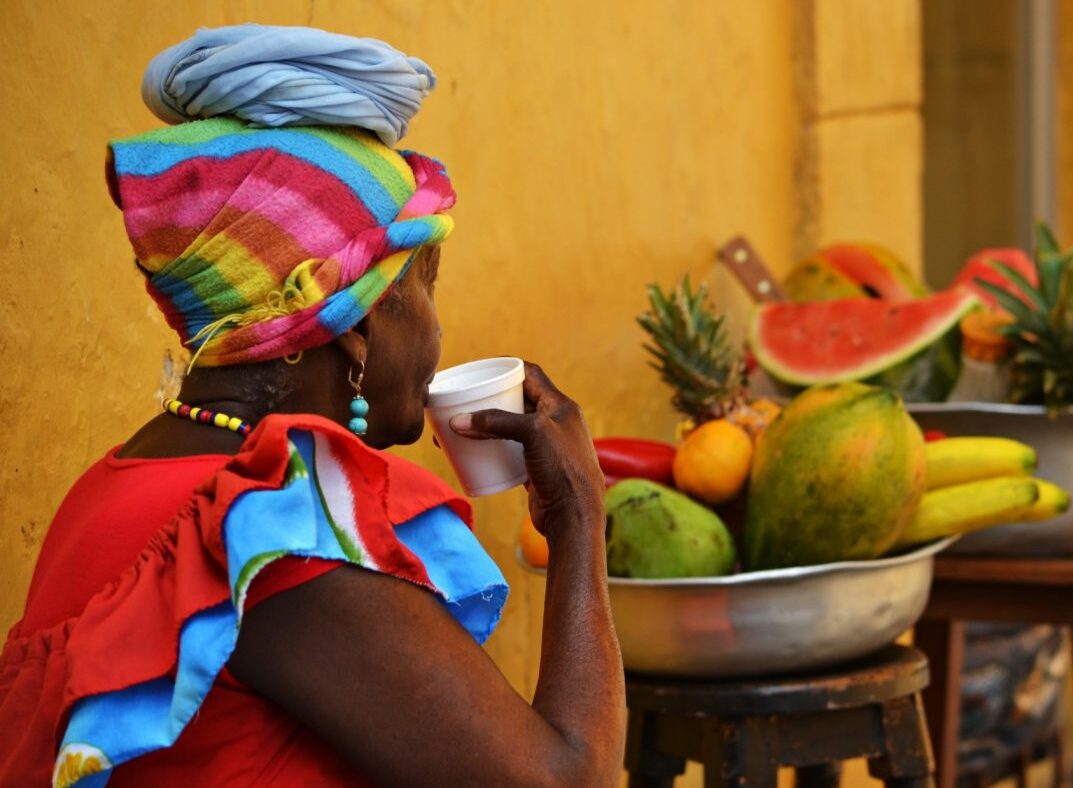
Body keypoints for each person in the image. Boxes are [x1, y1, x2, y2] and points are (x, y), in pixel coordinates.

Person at [0, 25, 624, 786]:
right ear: (358, 324)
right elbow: (567, 779)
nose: (436, 326)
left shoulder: (111, 485)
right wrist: (579, 514)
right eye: (426, 285)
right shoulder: (280, 535)